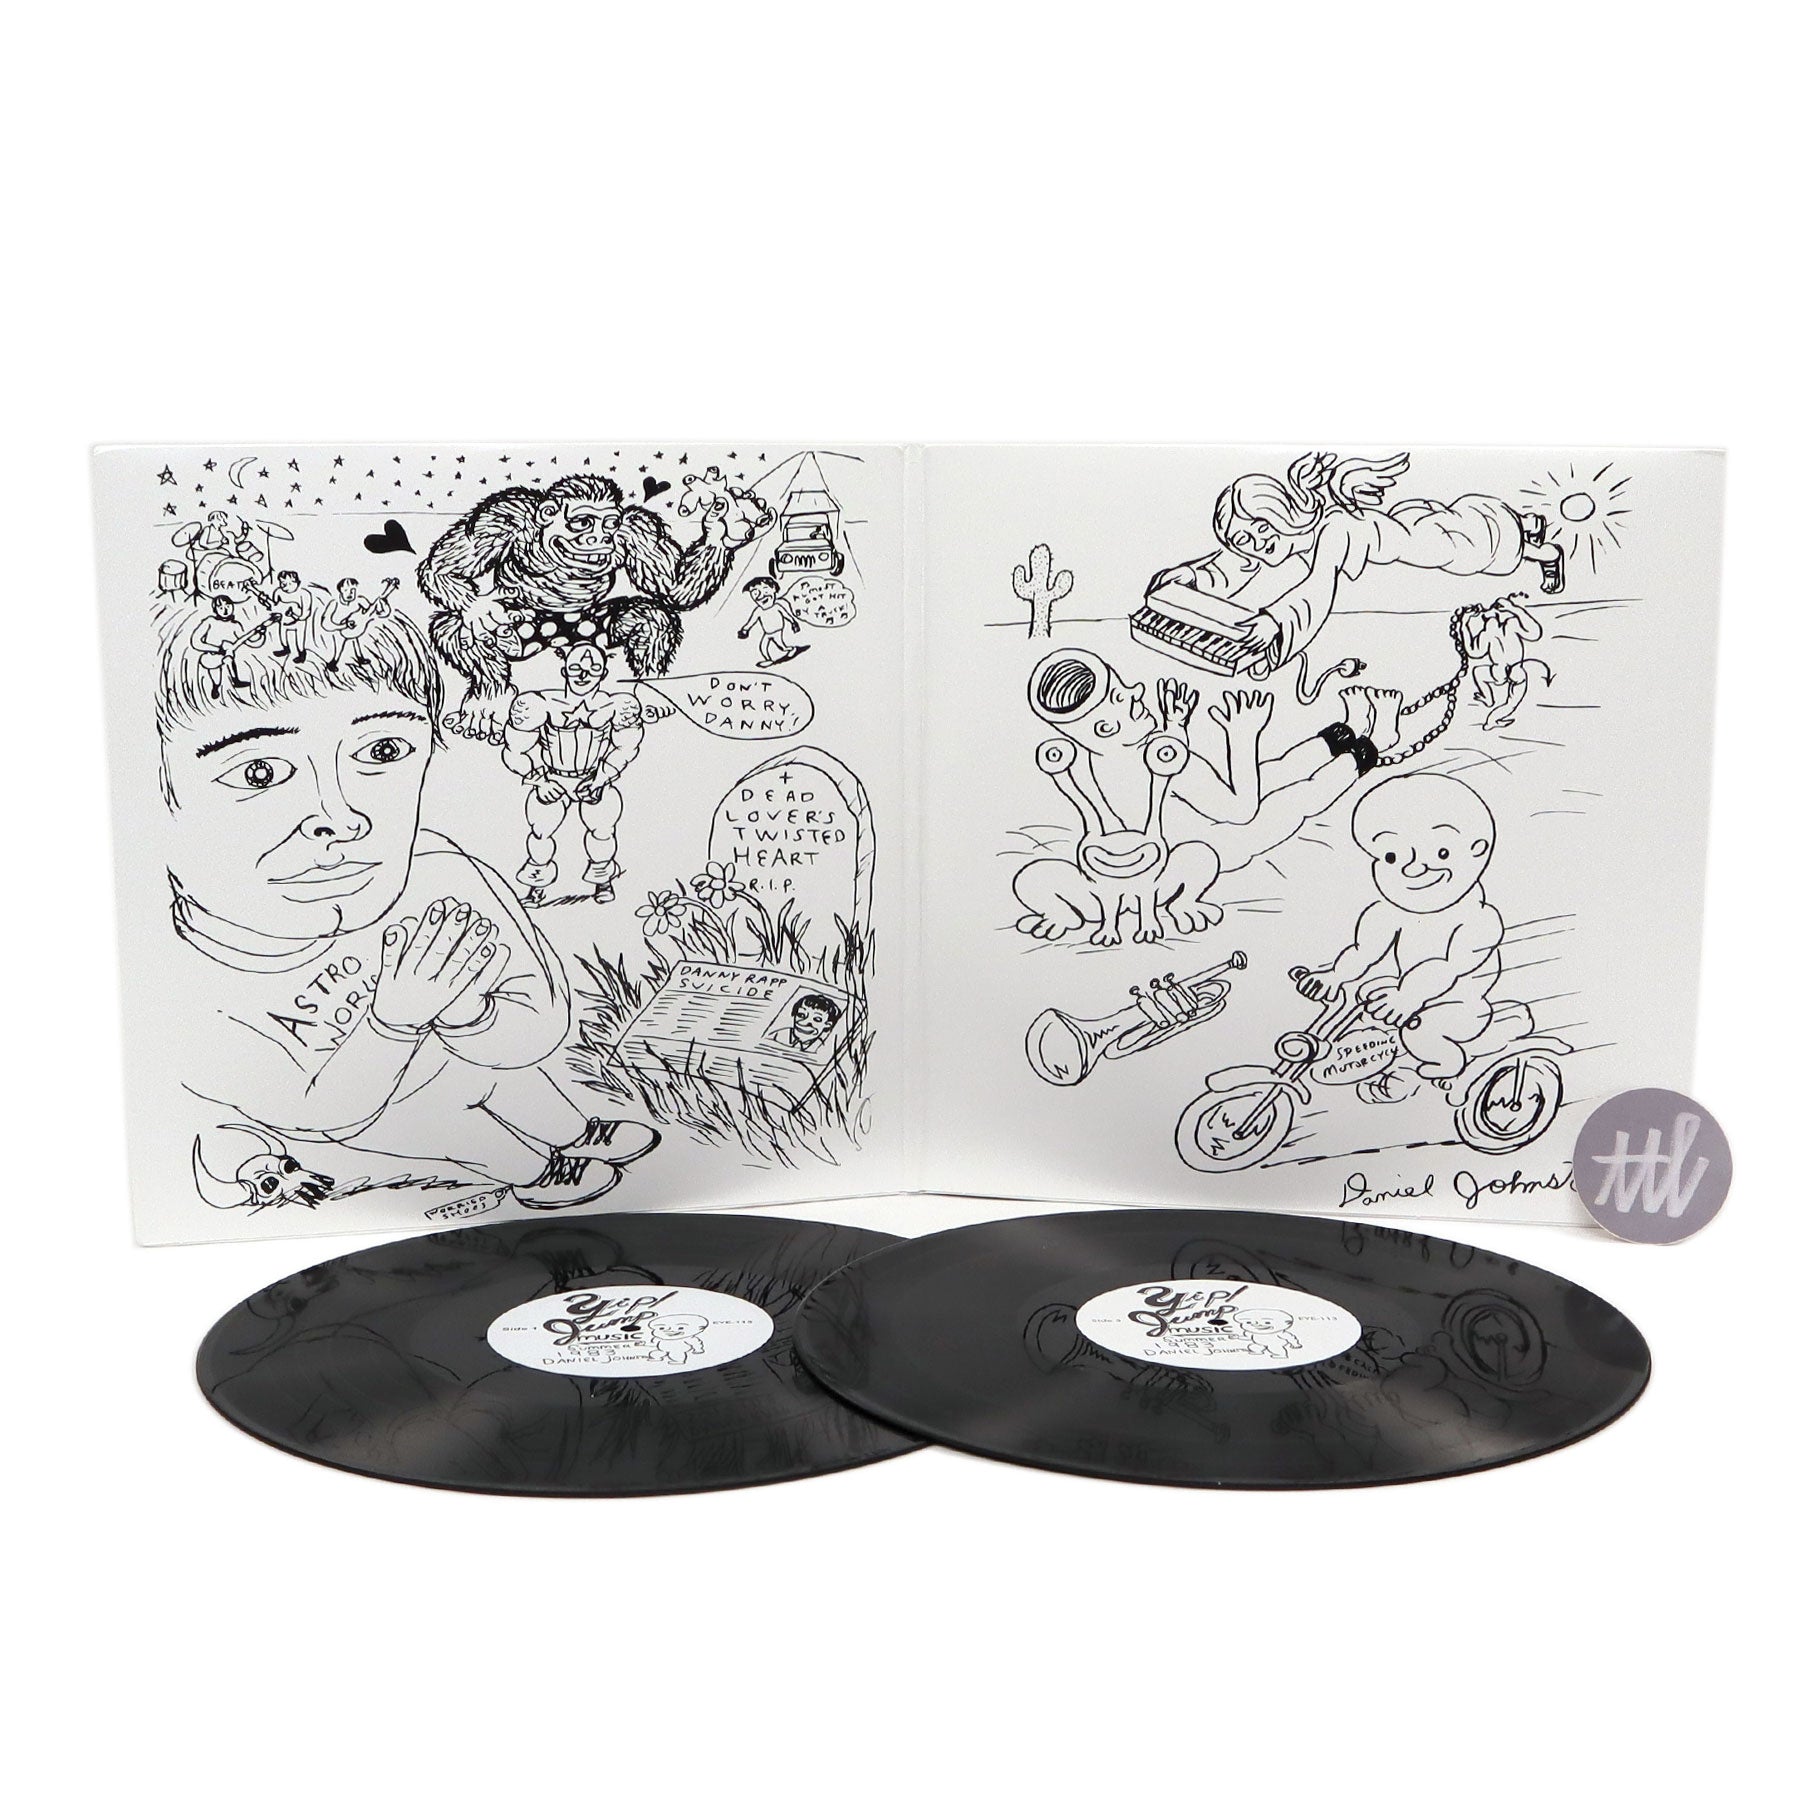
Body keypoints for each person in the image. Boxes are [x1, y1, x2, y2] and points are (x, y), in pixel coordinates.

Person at [156, 603, 657, 1209]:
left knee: (520, 1087)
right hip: (392, 1107)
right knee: (463, 1131)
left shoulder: (436, 874)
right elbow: (325, 1110)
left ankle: (576, 1131)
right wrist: (395, 1020)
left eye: (384, 750)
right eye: (259, 773)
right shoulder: (180, 995)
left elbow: (538, 1018)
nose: (341, 817)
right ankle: (539, 1175)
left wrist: (469, 1011)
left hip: (471, 1056)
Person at [1151, 452, 1565, 680]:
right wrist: (1192, 577)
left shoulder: (1332, 532)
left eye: (1261, 529)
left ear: (1278, 515)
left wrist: (1277, 621)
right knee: (1470, 529)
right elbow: (1232, 566)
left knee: (1485, 551)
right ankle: (1527, 526)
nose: (1258, 544)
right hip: (1404, 524)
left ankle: (1544, 552)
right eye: (1245, 540)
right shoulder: (1272, 544)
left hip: (1424, 543)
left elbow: (1318, 588)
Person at [1295, 772, 1509, 1098]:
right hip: (1405, 991)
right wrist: (1335, 976)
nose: (1413, 869)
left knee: (1417, 1032)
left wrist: (1409, 996)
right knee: (1362, 1002)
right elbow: (1363, 950)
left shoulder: (1480, 920)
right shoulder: (1388, 912)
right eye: (1392, 857)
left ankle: (1448, 1064)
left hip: (1459, 1002)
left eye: (1440, 853)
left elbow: (1448, 967)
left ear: (1478, 850)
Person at [501, 643, 649, 906]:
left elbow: (627, 746)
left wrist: (602, 778)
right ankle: (536, 888)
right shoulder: (540, 703)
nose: (583, 675)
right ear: (564, 670)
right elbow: (514, 750)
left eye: (593, 669)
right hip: (553, 779)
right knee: (540, 833)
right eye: (576, 668)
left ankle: (603, 882)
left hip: (594, 778)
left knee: (602, 831)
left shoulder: (616, 705)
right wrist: (540, 781)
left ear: (604, 673)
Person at [323, 575, 398, 672]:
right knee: (339, 646)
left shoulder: (360, 600)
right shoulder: (334, 604)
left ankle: (359, 657)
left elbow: (371, 611)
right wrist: (343, 626)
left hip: (355, 629)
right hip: (339, 631)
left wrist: (382, 601)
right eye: (346, 590)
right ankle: (333, 662)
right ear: (340, 590)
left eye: (353, 590)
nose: (350, 593)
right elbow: (326, 624)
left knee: (355, 637)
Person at [736, 575, 806, 667]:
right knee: (763, 647)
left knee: (781, 646)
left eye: (765, 591)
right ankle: (768, 659)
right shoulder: (758, 611)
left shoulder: (777, 607)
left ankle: (791, 649)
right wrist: (745, 629)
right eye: (755, 593)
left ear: (773, 589)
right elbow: (751, 622)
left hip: (777, 631)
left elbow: (786, 615)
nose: (761, 596)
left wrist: (793, 622)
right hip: (767, 633)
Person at [266, 570, 312, 662]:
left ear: (297, 583)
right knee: (283, 636)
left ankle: (301, 654)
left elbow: (306, 611)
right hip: (284, 620)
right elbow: (275, 605)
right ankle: (286, 649)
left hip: (299, 622)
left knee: (300, 639)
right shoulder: (278, 592)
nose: (286, 587)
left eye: (290, 584)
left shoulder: (304, 594)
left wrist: (298, 617)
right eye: (283, 584)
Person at [777, 992, 842, 1055]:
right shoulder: (778, 1035)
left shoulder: (822, 1048)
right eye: (801, 1015)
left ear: (827, 1025)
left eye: (817, 1019)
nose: (805, 1022)